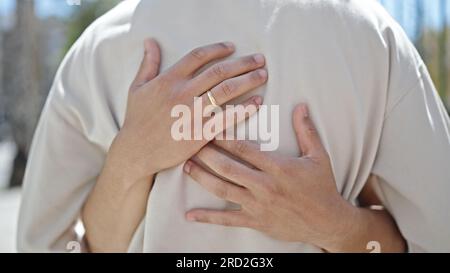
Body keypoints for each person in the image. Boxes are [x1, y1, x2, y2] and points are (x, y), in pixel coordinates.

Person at [18, 0, 450, 253]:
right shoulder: (373, 37)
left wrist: (337, 225)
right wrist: (131, 159)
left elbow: (43, 244)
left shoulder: (98, 50)